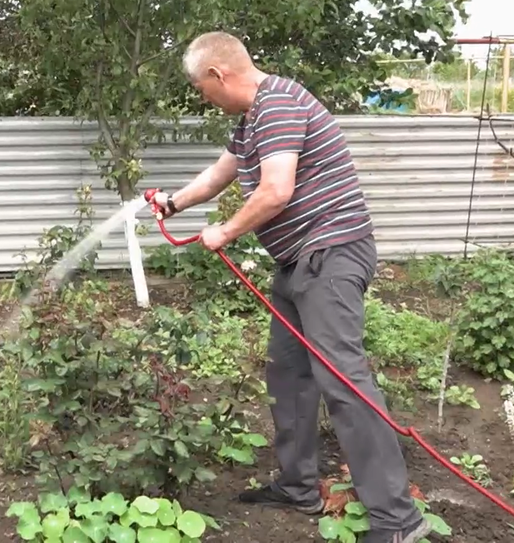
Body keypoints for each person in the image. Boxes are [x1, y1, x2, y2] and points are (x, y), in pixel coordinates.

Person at [153, 32, 430, 543]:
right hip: (298, 261)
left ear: (218, 75)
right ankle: (300, 486)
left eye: (200, 89)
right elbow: (222, 172)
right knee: (289, 375)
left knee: (344, 383)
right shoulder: (254, 118)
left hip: (332, 254)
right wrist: (174, 203)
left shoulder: (278, 103)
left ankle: (397, 520)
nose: (202, 98)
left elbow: (276, 190)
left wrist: (227, 231)